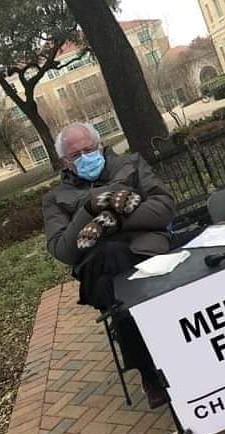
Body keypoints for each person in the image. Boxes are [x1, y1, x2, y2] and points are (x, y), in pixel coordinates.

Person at [42, 122, 175, 408]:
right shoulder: (55, 199)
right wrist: (89, 208)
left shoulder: (131, 164)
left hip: (146, 250)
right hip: (99, 268)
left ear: (100, 145)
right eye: (75, 155)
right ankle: (153, 368)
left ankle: (151, 370)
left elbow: (164, 208)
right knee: (112, 267)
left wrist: (114, 221)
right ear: (65, 162)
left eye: (89, 149)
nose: (85, 157)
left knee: (118, 289)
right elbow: (62, 250)